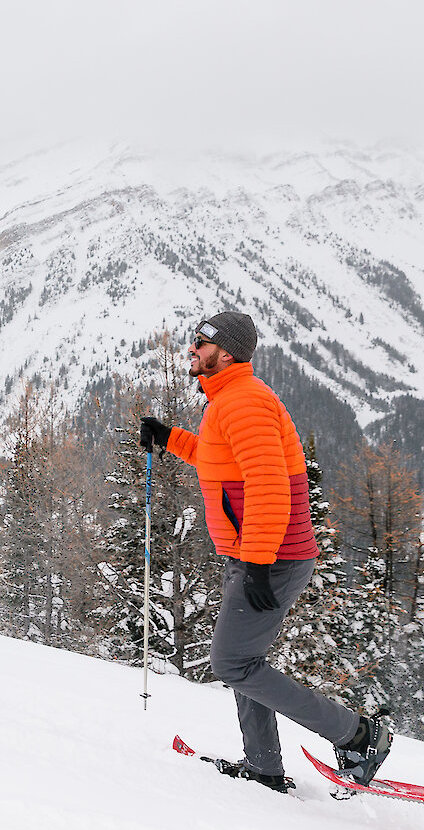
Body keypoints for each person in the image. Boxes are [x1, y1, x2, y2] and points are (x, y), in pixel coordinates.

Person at [140, 311, 391, 792]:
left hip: (273, 556)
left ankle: (359, 735)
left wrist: (256, 561)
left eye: (201, 343)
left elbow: (268, 485)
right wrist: (171, 438)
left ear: (226, 353)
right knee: (243, 659)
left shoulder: (244, 402)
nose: (193, 348)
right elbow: (222, 462)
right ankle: (264, 766)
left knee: (232, 663)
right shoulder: (228, 401)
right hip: (261, 553)